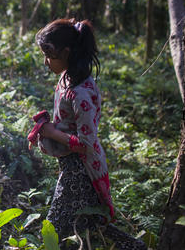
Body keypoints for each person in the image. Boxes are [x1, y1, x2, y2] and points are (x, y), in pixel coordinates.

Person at [29, 19, 147, 250]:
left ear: (66, 52)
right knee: (90, 224)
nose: (46, 62)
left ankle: (134, 247)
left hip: (81, 170)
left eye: (50, 56)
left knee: (55, 226)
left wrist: (51, 131)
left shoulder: (80, 93)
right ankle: (135, 247)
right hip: (72, 165)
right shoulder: (66, 79)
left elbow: (86, 144)